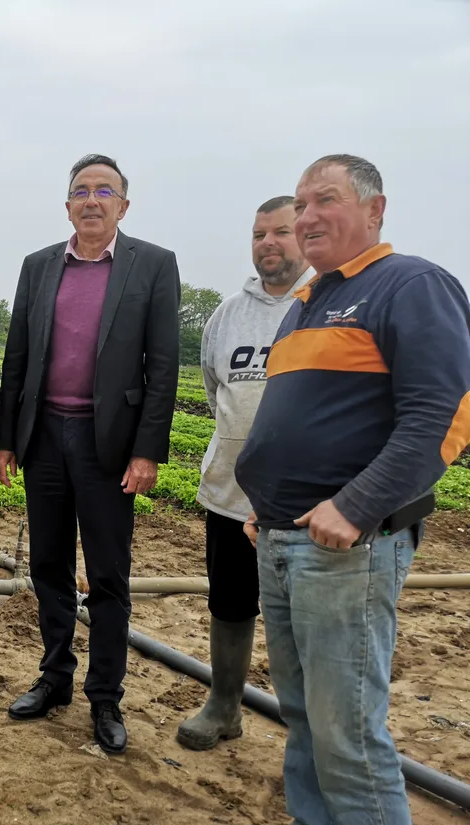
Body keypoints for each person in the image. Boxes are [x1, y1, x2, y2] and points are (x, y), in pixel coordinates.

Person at [236, 154, 470, 823]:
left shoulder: (410, 284)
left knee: (347, 735)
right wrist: (265, 496)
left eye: (325, 199)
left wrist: (357, 504)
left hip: (346, 549)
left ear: (375, 210)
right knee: (305, 721)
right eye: (301, 203)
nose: (307, 215)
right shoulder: (308, 302)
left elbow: (448, 411)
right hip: (281, 539)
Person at [0, 154, 181, 754]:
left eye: (105, 191)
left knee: (107, 576)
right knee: (48, 566)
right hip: (46, 437)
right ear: (67, 203)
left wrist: (148, 450)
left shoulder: (152, 265)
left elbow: (163, 367)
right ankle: (54, 678)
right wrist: (6, 437)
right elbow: (17, 356)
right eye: (81, 191)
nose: (92, 199)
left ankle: (106, 697)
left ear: (124, 205)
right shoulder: (39, 266)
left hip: (109, 446)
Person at [176, 195, 310, 752]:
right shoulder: (228, 314)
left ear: (305, 236)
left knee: (305, 622)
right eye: (259, 234)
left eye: (281, 232)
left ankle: (311, 733)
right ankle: (224, 705)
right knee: (229, 604)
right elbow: (216, 393)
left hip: (304, 504)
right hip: (230, 494)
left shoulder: (323, 304)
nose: (268, 243)